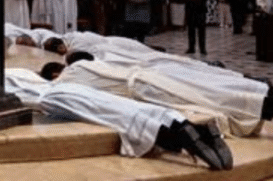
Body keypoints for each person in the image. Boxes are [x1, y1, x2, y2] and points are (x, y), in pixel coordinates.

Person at [5, 67, 231, 170]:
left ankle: (180, 137)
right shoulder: (20, 71)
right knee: (126, 107)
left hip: (55, 99)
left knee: (118, 117)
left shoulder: (3, 79)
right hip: (67, 90)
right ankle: (188, 127)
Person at [49, 57, 273, 138]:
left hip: (143, 90)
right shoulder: (88, 65)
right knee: (210, 95)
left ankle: (260, 106)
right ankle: (260, 104)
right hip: (148, 80)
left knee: (208, 99)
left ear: (55, 74)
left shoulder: (68, 79)